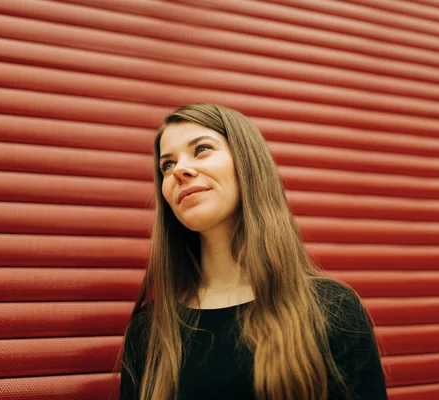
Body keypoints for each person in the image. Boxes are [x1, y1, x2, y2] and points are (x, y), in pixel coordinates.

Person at [118, 103, 388, 400]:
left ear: (247, 163)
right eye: (167, 165)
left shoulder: (332, 309)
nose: (179, 170)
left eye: (202, 149)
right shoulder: (150, 330)